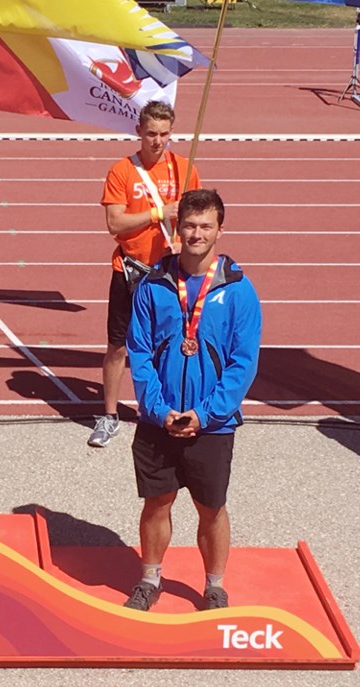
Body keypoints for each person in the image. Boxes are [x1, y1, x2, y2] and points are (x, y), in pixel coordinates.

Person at [123, 189, 261, 611]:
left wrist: (204, 414)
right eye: (189, 225)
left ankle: (214, 585)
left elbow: (243, 364)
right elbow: (139, 352)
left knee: (211, 507)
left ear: (221, 229)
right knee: (157, 502)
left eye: (205, 226)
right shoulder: (153, 284)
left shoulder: (239, 291)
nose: (196, 234)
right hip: (158, 420)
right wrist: (159, 409)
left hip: (212, 424)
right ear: (177, 227)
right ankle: (150, 578)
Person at [90, 100, 200, 448]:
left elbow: (197, 218)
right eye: (151, 133)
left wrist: (186, 238)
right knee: (118, 346)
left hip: (168, 270)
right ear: (139, 131)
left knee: (169, 344)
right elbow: (114, 223)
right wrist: (157, 212)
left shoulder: (185, 169)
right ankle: (108, 416)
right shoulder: (122, 171)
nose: (157, 140)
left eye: (164, 134)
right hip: (129, 269)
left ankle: (162, 409)